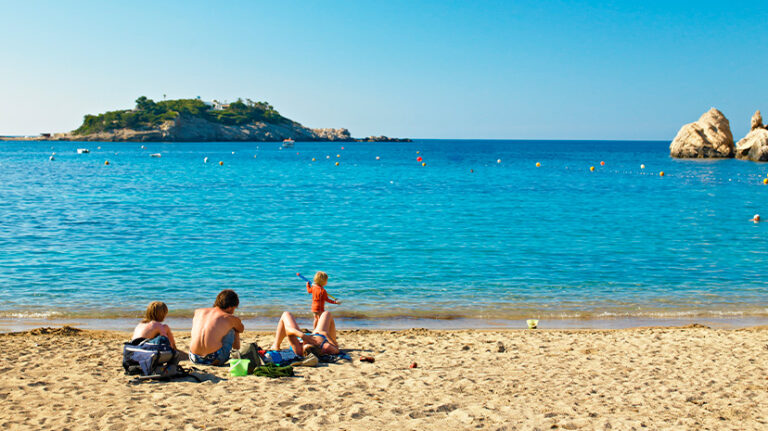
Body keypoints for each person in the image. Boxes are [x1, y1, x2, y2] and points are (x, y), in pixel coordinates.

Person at [189, 289, 244, 366]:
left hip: (194, 357)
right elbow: (241, 329)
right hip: (214, 358)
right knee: (234, 328)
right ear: (230, 307)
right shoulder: (229, 317)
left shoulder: (198, 312)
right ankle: (237, 357)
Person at [269, 310, 340, 356]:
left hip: (299, 336)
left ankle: (276, 345)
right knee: (326, 313)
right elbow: (336, 348)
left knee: (286, 314)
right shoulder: (325, 346)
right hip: (318, 334)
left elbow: (288, 331)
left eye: (304, 344)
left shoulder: (298, 349)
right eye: (308, 343)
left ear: (302, 349)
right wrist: (326, 334)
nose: (304, 342)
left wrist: (302, 336)